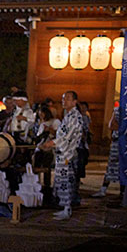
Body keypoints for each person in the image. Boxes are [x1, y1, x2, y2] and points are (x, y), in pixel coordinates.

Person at [40, 91, 84, 221]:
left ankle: (67, 208)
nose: (64, 101)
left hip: (67, 153)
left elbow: (68, 136)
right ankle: (64, 207)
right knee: (61, 181)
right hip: (62, 151)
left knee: (67, 181)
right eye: (63, 99)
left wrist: (52, 143)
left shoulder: (75, 116)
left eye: (68, 99)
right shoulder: (68, 115)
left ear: (75, 102)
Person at [93, 105, 121, 198]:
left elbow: (112, 125)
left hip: (125, 142)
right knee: (111, 167)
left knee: (123, 168)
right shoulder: (118, 110)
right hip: (118, 142)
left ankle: (123, 192)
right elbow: (111, 125)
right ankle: (104, 189)